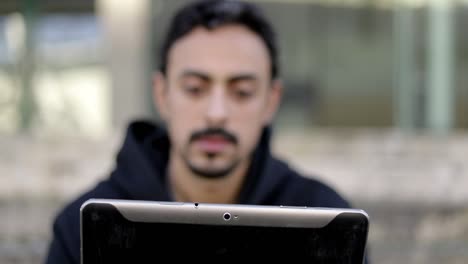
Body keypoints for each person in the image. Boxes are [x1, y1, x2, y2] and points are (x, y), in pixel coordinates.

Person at [44, 0, 367, 263]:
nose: (216, 114)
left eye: (241, 92)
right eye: (195, 89)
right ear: (162, 94)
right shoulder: (85, 227)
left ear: (271, 101)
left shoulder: (325, 219)